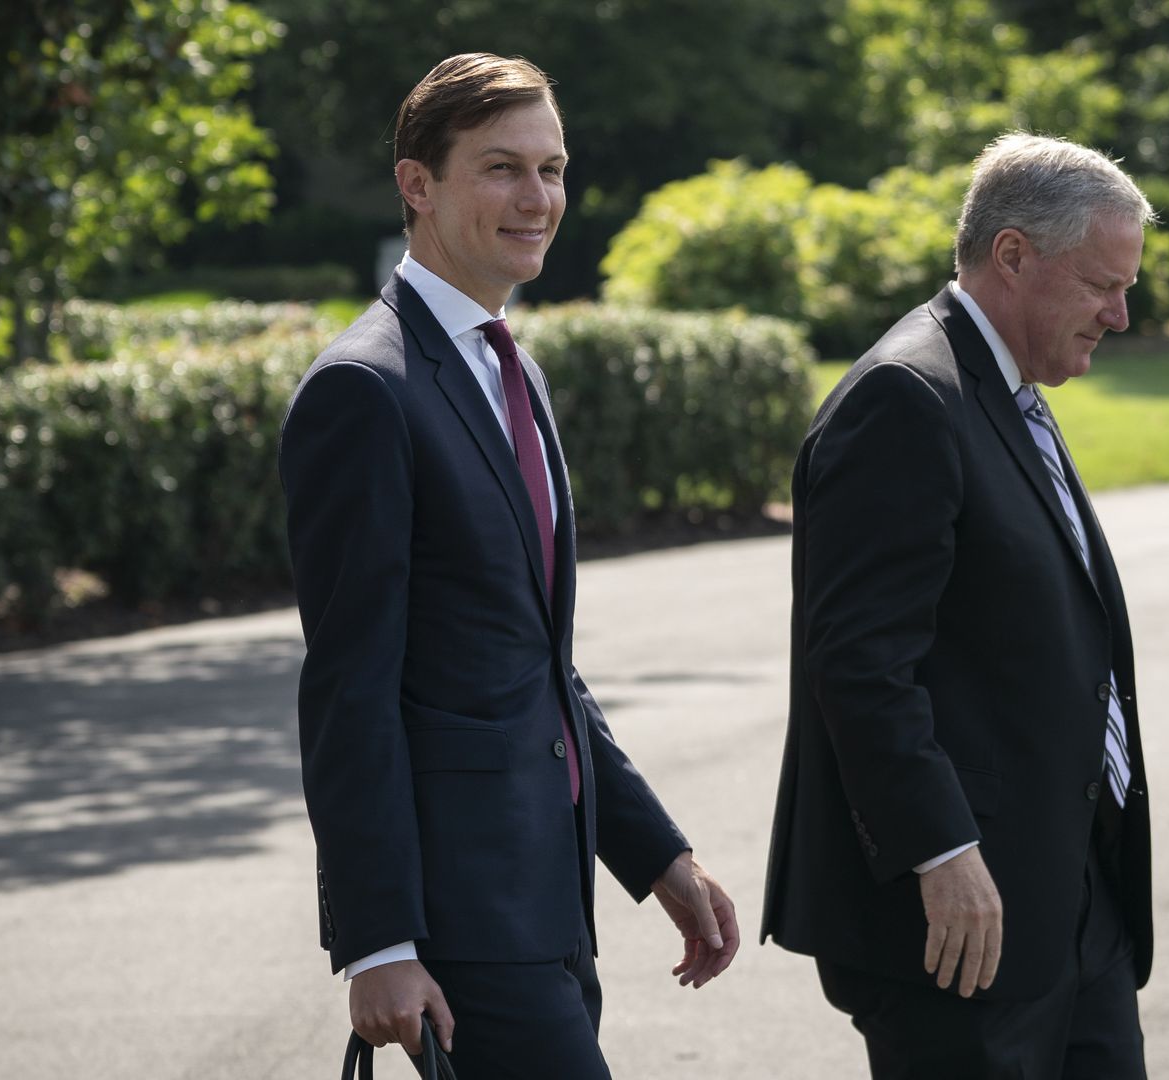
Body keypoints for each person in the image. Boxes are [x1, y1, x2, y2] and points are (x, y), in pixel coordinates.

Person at [277, 53, 738, 1078]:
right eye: (501, 169)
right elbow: (350, 689)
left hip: (550, 897)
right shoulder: (364, 391)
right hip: (460, 918)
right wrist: (379, 943)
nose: (537, 199)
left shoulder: (510, 365)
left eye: (552, 168)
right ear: (417, 185)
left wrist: (657, 857)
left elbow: (537, 666)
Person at [760, 132, 1156, 1078]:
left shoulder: (1003, 381)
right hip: (957, 927)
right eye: (1104, 284)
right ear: (1013, 256)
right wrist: (942, 852)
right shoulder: (906, 396)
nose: (1123, 313)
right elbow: (859, 664)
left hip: (1068, 905)